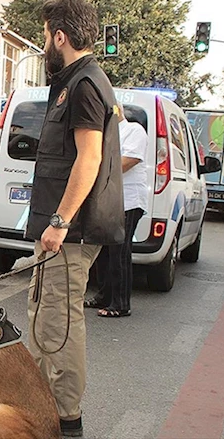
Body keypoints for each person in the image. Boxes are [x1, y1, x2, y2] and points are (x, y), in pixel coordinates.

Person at [24, 0, 124, 437]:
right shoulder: (75, 80)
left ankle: (66, 423)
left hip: (72, 231)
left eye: (45, 35)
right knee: (45, 321)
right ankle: (46, 413)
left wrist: (60, 221)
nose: (43, 42)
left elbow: (89, 158)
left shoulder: (85, 83)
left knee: (59, 328)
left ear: (59, 36)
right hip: (64, 231)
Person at [86, 106, 148, 317]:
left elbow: (128, 162)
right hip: (106, 201)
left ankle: (121, 304)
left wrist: (95, 167)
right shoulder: (102, 136)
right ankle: (104, 296)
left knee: (119, 252)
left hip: (128, 201)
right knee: (103, 252)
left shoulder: (134, 131)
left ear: (117, 111)